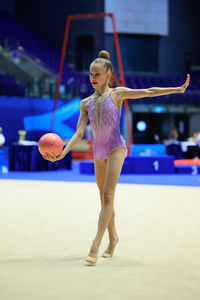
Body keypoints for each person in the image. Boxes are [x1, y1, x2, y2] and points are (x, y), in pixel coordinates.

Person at [43, 50, 190, 264]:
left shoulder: (117, 94)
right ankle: (113, 239)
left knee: (109, 196)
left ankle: (95, 245)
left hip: (115, 147)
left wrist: (176, 89)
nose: (93, 78)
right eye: (91, 74)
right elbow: (79, 133)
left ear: (109, 75)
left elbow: (148, 91)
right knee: (103, 199)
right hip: (99, 151)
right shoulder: (85, 103)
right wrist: (63, 152)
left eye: (98, 74)